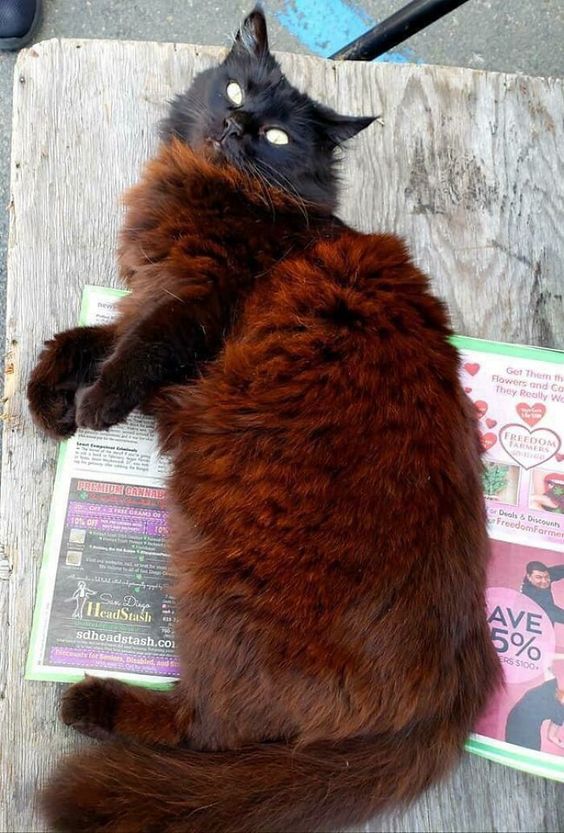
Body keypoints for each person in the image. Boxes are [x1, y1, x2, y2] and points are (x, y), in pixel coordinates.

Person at [505, 676, 564, 751]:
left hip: (526, 725)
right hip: (517, 718)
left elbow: (551, 736)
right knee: (514, 751)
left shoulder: (560, 712)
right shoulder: (554, 683)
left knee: (525, 753)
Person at [521, 561, 564, 625]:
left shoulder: (540, 575)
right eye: (539, 577)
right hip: (535, 626)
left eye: (547, 577)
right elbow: (554, 613)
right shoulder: (530, 593)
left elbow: (560, 570)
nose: (544, 581)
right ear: (529, 577)